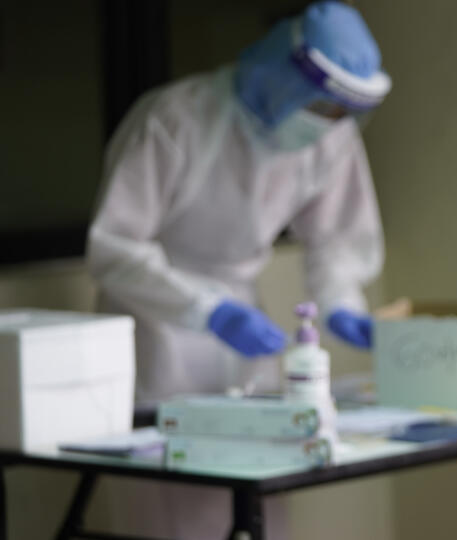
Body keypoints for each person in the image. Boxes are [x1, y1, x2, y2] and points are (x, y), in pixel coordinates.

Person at [87, 1, 389, 406]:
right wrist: (208, 311)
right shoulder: (176, 117)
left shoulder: (331, 136)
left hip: (246, 326)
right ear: (284, 74)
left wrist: (341, 302)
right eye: (321, 104)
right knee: (161, 455)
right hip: (155, 319)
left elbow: (336, 236)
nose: (329, 120)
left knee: (256, 446)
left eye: (343, 111)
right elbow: (113, 247)